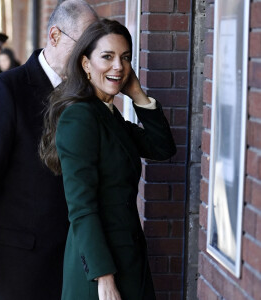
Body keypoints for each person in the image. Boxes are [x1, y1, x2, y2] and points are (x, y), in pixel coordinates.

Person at [0, 1, 98, 300]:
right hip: (14, 263)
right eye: (83, 45)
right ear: (54, 36)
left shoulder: (87, 94)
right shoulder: (6, 89)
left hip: (71, 257)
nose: (89, 56)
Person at [40, 19, 177, 300]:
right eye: (107, 57)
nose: (118, 66)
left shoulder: (106, 114)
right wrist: (104, 277)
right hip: (101, 267)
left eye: (125, 58)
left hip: (127, 256)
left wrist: (137, 93)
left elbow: (162, 147)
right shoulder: (81, 117)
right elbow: (81, 206)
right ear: (86, 64)